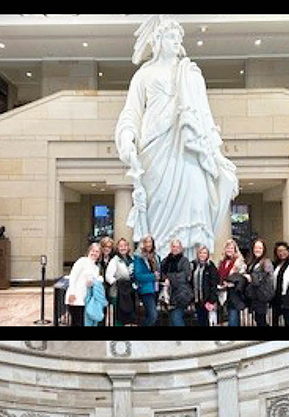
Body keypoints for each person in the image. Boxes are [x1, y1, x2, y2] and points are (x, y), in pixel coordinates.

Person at [114, 15, 239, 261]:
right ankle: (159, 265)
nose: (176, 42)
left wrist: (216, 155)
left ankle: (192, 266)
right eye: (171, 36)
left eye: (178, 37)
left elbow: (204, 117)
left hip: (187, 148)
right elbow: (132, 111)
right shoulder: (143, 75)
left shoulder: (190, 73)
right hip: (155, 150)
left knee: (194, 204)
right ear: (158, 40)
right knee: (158, 208)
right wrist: (127, 136)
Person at [65, 242, 102, 327]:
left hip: (86, 299)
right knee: (76, 322)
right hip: (76, 297)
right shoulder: (82, 261)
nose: (94, 253)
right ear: (89, 251)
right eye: (93, 251)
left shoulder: (96, 268)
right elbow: (73, 277)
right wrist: (72, 293)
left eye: (97, 252)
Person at [161, 239, 193, 325]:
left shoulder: (184, 261)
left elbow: (184, 276)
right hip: (169, 294)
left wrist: (169, 278)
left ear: (181, 248)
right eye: (173, 246)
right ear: (170, 247)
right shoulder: (165, 261)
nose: (175, 249)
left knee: (176, 317)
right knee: (171, 320)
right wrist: (166, 278)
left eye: (178, 247)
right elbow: (161, 275)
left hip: (181, 294)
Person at [105, 237, 136, 326]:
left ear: (128, 247)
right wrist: (117, 282)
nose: (123, 248)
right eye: (121, 246)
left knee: (127, 316)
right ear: (117, 248)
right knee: (118, 316)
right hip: (117, 292)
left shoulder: (131, 259)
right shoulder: (115, 260)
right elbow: (108, 276)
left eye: (125, 246)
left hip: (129, 291)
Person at [216, 238, 247, 326]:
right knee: (226, 316)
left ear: (235, 250)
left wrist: (231, 284)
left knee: (233, 316)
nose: (229, 250)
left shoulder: (239, 262)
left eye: (231, 248)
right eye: (227, 248)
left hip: (234, 294)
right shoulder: (222, 262)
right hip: (222, 293)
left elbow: (242, 278)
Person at [243, 238, 274, 326]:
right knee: (257, 317)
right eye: (256, 247)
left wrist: (250, 278)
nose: (258, 250)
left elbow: (264, 278)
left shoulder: (266, 262)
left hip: (262, 295)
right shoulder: (252, 261)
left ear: (264, 249)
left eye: (260, 248)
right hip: (254, 295)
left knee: (261, 318)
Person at [131, 234, 161, 326]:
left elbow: (159, 271)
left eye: (150, 242)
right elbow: (138, 275)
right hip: (145, 289)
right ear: (142, 244)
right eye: (146, 242)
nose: (148, 244)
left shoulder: (156, 257)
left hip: (156, 288)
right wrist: (153, 276)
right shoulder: (138, 258)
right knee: (153, 315)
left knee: (150, 314)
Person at [191, 245, 219, 326]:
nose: (202, 255)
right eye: (200, 253)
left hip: (207, 299)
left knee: (208, 320)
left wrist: (212, 300)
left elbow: (214, 283)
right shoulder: (194, 265)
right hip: (197, 298)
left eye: (204, 253)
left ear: (207, 254)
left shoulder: (210, 266)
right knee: (200, 319)